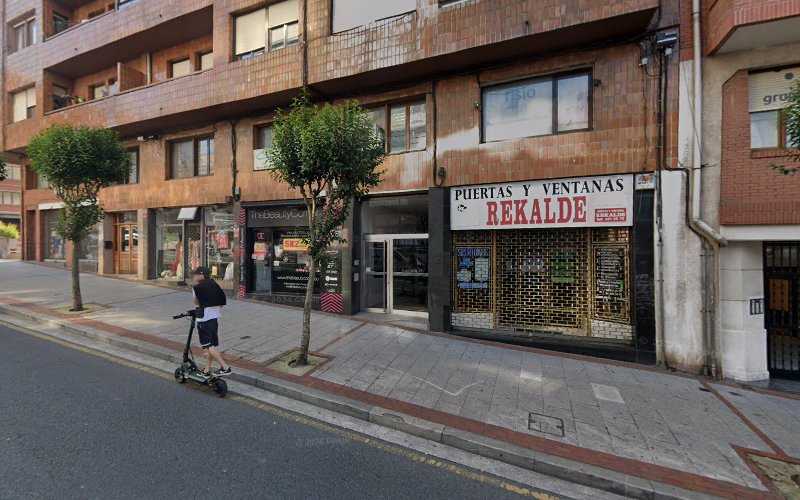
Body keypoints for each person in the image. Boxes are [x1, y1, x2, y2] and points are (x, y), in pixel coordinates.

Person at [191, 266, 232, 377]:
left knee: (208, 345)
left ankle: (225, 367)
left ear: (201, 275)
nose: (194, 276)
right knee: (211, 345)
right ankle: (207, 370)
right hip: (214, 318)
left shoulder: (197, 287)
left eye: (196, 274)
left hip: (203, 319)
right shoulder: (215, 284)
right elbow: (222, 302)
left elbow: (196, 303)